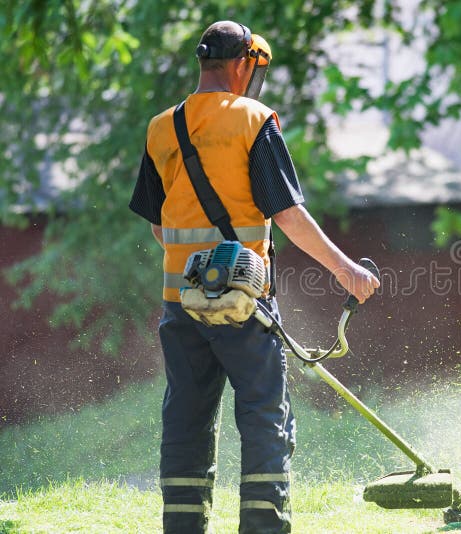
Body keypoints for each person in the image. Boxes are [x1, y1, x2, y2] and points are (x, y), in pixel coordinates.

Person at [128, 20, 379, 533]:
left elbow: (159, 225)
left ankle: (182, 526)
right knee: (265, 416)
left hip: (181, 304)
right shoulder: (254, 120)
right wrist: (346, 271)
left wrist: (195, 269)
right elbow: (285, 214)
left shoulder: (161, 128)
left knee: (186, 419)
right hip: (245, 303)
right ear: (243, 64)